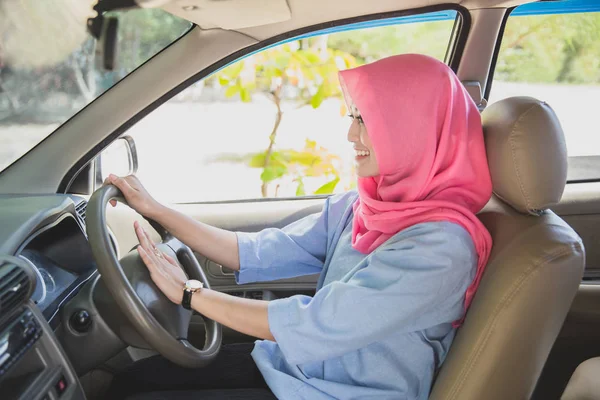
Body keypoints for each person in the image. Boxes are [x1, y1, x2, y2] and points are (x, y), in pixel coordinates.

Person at [106, 54, 493, 400]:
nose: (351, 135)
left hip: (342, 392)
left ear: (415, 129)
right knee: (133, 382)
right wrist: (156, 210)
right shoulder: (367, 204)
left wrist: (190, 293)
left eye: (367, 119)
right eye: (353, 116)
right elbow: (257, 250)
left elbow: (317, 323)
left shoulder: (441, 247)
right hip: (296, 369)